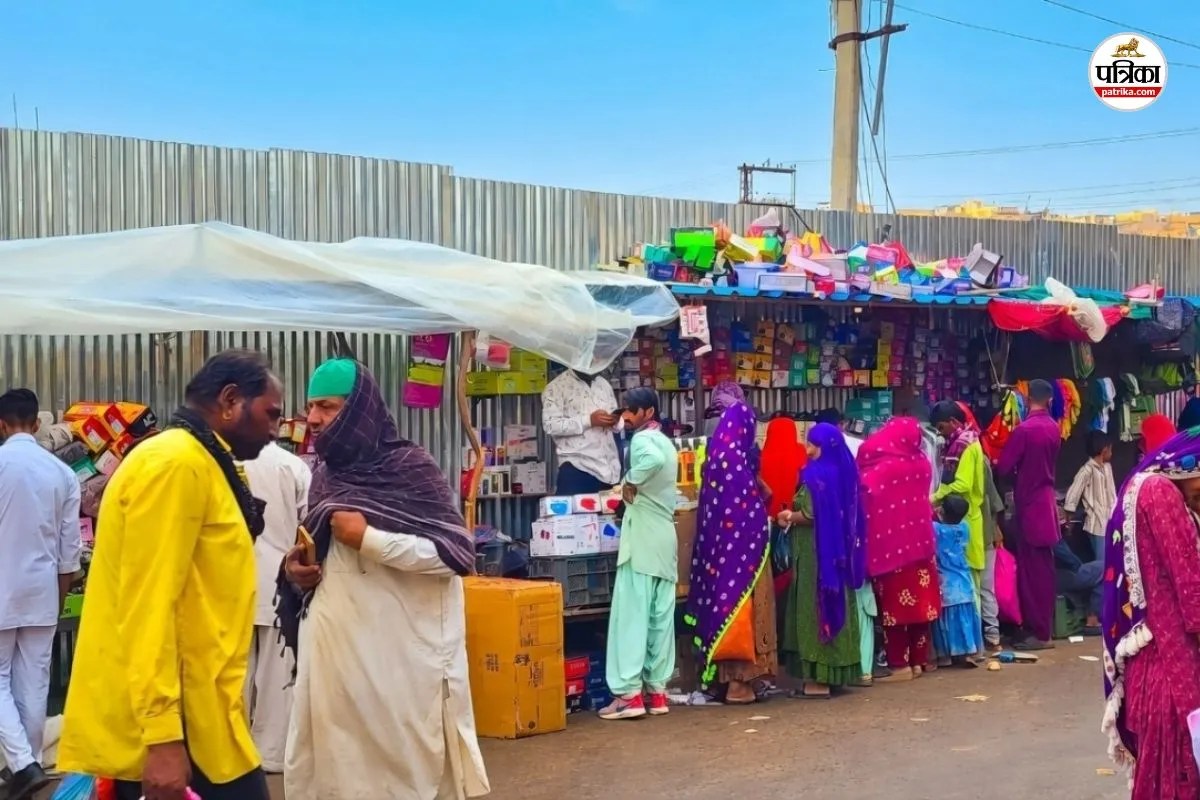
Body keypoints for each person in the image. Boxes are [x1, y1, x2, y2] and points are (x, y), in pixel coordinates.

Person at [59, 350, 283, 800]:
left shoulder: (200, 459)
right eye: (271, 413)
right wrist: (162, 737)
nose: (276, 428)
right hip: (171, 730)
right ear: (230, 400)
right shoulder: (175, 463)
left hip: (206, 719)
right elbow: (148, 605)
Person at [279, 358, 488, 798]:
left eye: (327, 407)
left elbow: (453, 556)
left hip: (398, 669)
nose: (313, 418)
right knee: (336, 774)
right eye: (311, 406)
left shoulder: (410, 467)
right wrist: (296, 571)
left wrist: (369, 540)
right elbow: (327, 558)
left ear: (359, 410)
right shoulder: (326, 475)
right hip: (337, 667)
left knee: (403, 777)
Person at [1101, 428, 1200, 798]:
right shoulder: (1160, 493)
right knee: (1178, 774)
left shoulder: (1137, 486)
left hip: (1148, 662)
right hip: (1173, 665)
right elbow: (1192, 586)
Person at [0, 389, 81, 800]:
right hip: (43, 592)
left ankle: (24, 764)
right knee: (34, 683)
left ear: (1, 425)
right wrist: (59, 598)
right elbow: (70, 553)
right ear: (36, 424)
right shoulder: (63, 474)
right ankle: (26, 766)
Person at [689, 399, 776, 705]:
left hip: (717, 552)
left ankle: (723, 683)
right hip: (743, 552)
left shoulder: (715, 457)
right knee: (742, 612)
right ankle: (739, 685)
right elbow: (748, 507)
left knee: (722, 608)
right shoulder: (736, 461)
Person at [601, 388, 679, 720]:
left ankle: (629, 696)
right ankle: (657, 693)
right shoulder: (666, 442)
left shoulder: (643, 442)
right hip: (664, 540)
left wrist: (627, 482)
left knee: (631, 619)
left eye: (632, 411)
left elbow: (652, 463)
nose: (626, 417)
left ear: (648, 412)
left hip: (643, 542)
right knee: (660, 621)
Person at [777, 423, 865, 698]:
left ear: (821, 447)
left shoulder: (815, 475)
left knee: (815, 609)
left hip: (816, 555)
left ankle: (818, 680)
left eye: (811, 443)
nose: (807, 448)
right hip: (839, 555)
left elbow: (810, 514)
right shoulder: (845, 470)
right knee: (839, 605)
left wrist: (788, 517)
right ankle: (837, 674)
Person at [241, 441, 311, 774]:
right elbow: (308, 526)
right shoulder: (291, 466)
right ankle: (271, 754)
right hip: (278, 582)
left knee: (232, 675)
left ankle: (232, 752)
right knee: (276, 675)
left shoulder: (217, 460)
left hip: (232, 582)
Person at [858, 417, 940, 684]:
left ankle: (899, 666)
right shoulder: (922, 463)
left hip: (892, 550)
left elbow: (863, 491)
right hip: (921, 546)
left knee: (895, 610)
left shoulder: (885, 468)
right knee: (921, 608)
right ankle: (918, 662)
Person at [997, 379, 1063, 651]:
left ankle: (1040, 632)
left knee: (1032, 573)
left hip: (1030, 506)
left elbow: (1004, 467)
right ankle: (1040, 628)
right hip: (1046, 503)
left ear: (1027, 399)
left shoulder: (1024, 430)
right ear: (1049, 400)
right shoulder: (1054, 428)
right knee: (1043, 570)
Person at [929, 401, 986, 603]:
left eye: (941, 427)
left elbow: (963, 484)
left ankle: (973, 622)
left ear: (953, 422)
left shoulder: (965, 446)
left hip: (967, 518)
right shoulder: (962, 443)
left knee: (970, 581)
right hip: (964, 518)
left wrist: (935, 497)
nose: (940, 433)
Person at [541, 367, 620, 494]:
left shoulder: (604, 384)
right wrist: (589, 421)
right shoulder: (556, 387)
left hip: (610, 470)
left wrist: (615, 422)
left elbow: (614, 415)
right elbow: (550, 425)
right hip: (578, 468)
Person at [931, 495, 983, 664]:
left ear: (943, 511)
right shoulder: (965, 527)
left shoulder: (936, 529)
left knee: (947, 622)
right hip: (964, 581)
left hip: (946, 583)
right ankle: (968, 651)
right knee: (965, 619)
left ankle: (946, 655)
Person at [1063, 430, 1116, 563]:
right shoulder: (1086, 470)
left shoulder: (1108, 468)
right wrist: (1069, 517)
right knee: (1101, 562)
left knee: (1111, 559)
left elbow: (1112, 493)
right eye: (1110, 449)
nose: (1111, 453)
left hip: (1110, 521)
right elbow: (1073, 493)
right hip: (1096, 524)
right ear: (1104, 450)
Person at [1053, 538, 1102, 636]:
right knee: (1104, 568)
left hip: (1046, 574)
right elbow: (1060, 550)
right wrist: (1078, 565)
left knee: (1093, 570)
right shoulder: (1046, 531)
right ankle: (1094, 620)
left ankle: (1092, 616)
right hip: (1057, 574)